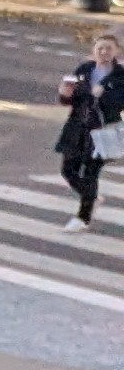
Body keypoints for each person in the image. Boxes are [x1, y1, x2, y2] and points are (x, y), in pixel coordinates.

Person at [58, 24, 124, 227]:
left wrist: (104, 93)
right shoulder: (84, 70)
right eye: (100, 48)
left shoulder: (120, 76)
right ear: (93, 50)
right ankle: (92, 199)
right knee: (68, 169)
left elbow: (121, 102)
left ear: (116, 52)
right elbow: (69, 100)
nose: (104, 52)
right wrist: (65, 94)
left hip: (102, 131)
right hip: (78, 127)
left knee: (90, 172)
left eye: (108, 48)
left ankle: (83, 216)